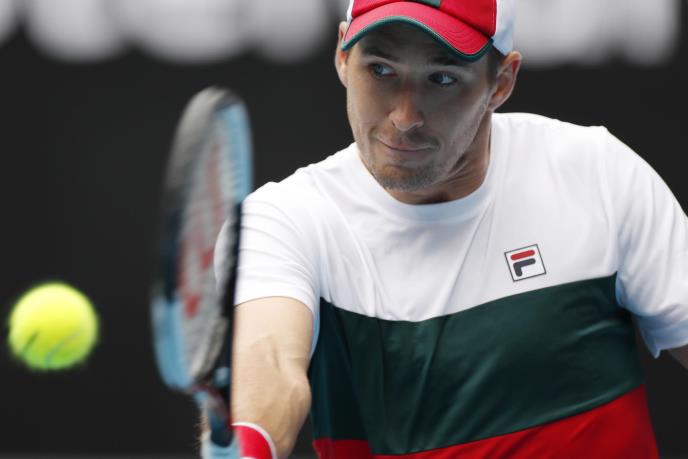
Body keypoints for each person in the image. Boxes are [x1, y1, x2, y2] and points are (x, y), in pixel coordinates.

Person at [204, 1, 688, 458]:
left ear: (501, 83)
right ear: (342, 58)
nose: (404, 118)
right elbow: (270, 360)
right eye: (381, 71)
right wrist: (249, 441)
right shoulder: (282, 220)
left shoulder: (596, 172)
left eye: (441, 78)